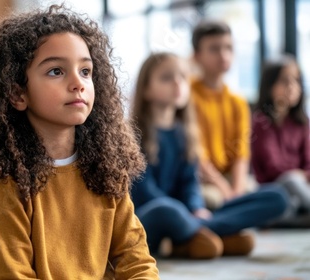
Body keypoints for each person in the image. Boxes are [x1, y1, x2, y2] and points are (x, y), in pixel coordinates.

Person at [0, 5, 159, 279]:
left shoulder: (106, 171)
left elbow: (137, 260)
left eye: (85, 71)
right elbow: (12, 275)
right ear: (17, 94)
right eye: (56, 71)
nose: (77, 83)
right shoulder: (4, 183)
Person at [130, 52, 288, 259]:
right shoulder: (131, 134)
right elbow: (143, 192)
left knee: (277, 197)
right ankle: (215, 233)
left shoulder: (185, 134)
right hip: (151, 216)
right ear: (146, 89)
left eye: (183, 77)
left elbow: (190, 184)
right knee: (166, 209)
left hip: (186, 216)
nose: (178, 83)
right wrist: (186, 212)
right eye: (167, 78)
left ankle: (193, 237)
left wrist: (196, 208)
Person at [190, 20, 254, 210]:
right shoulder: (186, 96)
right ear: (196, 56)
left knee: (263, 193)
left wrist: (237, 189)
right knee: (211, 199)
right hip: (200, 180)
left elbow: (241, 153)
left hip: (227, 178)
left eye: (228, 47)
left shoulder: (238, 101)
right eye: (214, 49)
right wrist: (224, 188)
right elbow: (195, 155)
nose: (224, 55)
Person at [251, 56, 310, 227]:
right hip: (274, 188)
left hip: (300, 189)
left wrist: (304, 175)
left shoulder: (302, 122)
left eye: (296, 80)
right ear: (270, 85)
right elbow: (272, 167)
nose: (292, 87)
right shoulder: (261, 122)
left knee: (295, 195)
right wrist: (300, 175)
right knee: (291, 180)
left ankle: (296, 218)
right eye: (284, 81)